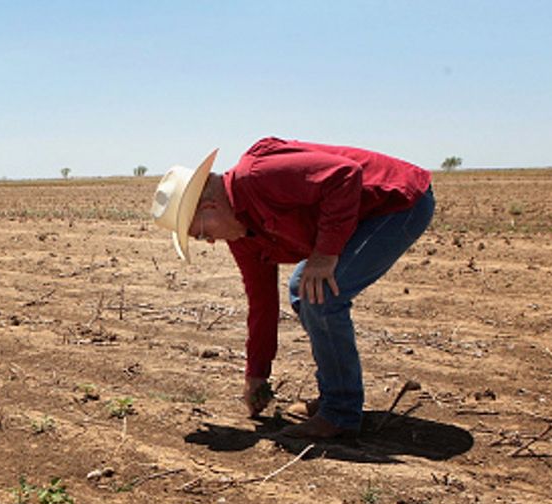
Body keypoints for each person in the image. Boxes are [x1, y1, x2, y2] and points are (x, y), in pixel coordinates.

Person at [150, 137, 434, 439]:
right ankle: (335, 398)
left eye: (200, 233)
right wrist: (256, 373)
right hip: (360, 216)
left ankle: (340, 413)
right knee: (305, 289)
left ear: (210, 207)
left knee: (320, 293)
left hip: (397, 203)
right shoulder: (242, 237)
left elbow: (345, 175)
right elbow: (262, 302)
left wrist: (325, 254)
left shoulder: (257, 176)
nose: (209, 241)